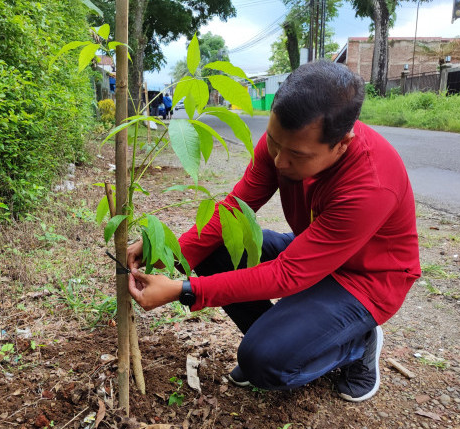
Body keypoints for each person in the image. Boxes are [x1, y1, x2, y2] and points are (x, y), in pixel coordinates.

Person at [127, 60, 421, 402]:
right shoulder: (284, 143)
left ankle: (357, 345)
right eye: (274, 142)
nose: (279, 160)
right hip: (311, 248)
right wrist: (170, 253)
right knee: (217, 250)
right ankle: (287, 341)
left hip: (365, 278)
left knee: (264, 363)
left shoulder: (370, 184)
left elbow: (290, 272)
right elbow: (235, 209)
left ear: (342, 143)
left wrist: (184, 291)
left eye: (296, 155)